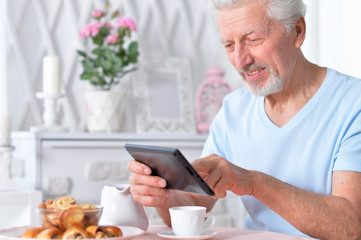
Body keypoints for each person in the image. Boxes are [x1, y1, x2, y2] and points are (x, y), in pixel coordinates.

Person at [128, 0, 361, 238]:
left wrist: (254, 183)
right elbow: (194, 203)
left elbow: (352, 226)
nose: (240, 62)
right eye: (229, 45)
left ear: (297, 31)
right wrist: (165, 194)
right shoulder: (234, 108)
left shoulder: (354, 103)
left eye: (253, 40)